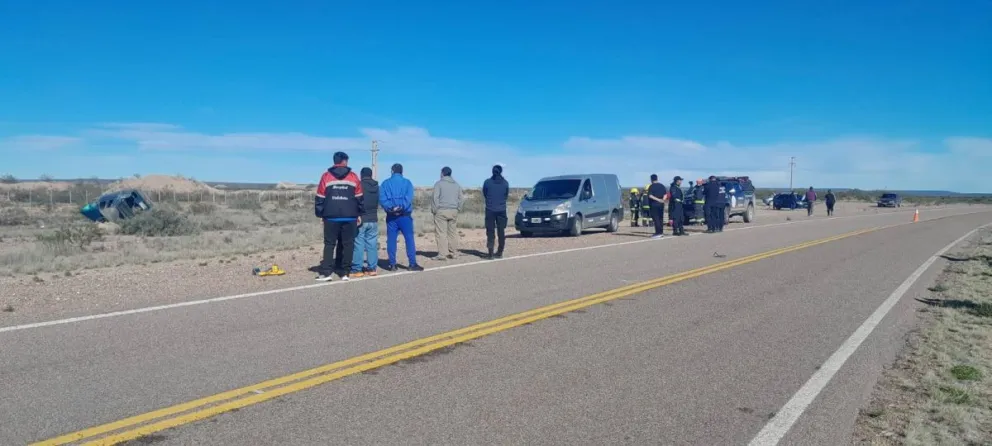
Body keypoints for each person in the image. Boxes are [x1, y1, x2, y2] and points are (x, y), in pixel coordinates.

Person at [314, 151, 364, 282]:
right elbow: (359, 197)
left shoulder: (326, 176)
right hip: (350, 216)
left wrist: (320, 214)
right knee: (348, 244)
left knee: (329, 244)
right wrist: (359, 213)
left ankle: (327, 273)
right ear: (345, 161)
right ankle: (345, 272)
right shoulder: (353, 177)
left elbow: (320, 197)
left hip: (331, 216)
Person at [379, 163, 424, 272]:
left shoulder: (385, 184)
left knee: (391, 240)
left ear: (392, 171)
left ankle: (392, 264)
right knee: (409, 239)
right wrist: (401, 207)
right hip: (405, 216)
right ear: (402, 171)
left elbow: (382, 199)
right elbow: (408, 198)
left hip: (391, 217)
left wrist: (391, 208)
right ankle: (412, 264)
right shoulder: (407, 183)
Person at [350, 167, 379, 278]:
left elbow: (356, 201)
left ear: (361, 175)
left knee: (358, 243)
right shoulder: (376, 186)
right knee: (372, 244)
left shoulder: (359, 185)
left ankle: (357, 268)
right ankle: (372, 268)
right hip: (373, 218)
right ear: (371, 175)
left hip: (361, 218)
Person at [431, 166, 463, 260]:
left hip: (441, 211)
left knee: (441, 233)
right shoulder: (456, 185)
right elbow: (461, 198)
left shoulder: (439, 184)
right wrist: (458, 208)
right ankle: (454, 252)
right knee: (452, 233)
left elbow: (435, 198)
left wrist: (434, 210)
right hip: (453, 211)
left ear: (443, 173)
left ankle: (442, 254)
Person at [483, 165, 509, 259]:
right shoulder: (505, 183)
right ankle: (500, 252)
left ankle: (490, 253)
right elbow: (506, 195)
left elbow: (485, 193)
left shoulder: (487, 182)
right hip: (501, 209)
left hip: (490, 209)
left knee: (490, 231)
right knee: (501, 231)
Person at [646, 174, 667, 238]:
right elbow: (665, 194)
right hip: (661, 204)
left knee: (656, 218)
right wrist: (662, 200)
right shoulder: (662, 186)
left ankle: (658, 233)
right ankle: (661, 232)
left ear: (651, 179)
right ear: (657, 178)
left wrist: (658, 200)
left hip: (654, 204)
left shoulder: (651, 186)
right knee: (660, 218)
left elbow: (650, 196)